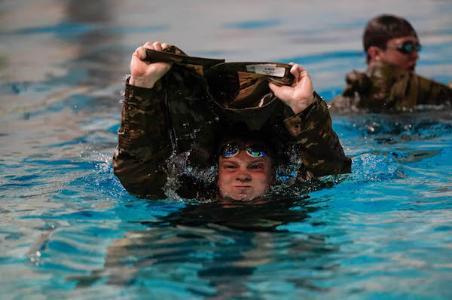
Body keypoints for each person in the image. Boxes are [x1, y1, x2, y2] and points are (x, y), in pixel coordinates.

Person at [113, 41, 351, 201]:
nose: (242, 175)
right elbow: (136, 173)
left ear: (274, 175)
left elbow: (331, 171)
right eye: (230, 167)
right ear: (216, 174)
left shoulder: (289, 198)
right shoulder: (193, 197)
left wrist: (303, 106)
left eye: (256, 167)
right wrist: (142, 84)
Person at [331, 14, 452, 113]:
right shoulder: (418, 92)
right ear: (375, 53)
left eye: (417, 47)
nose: (415, 55)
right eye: (407, 47)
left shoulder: (343, 104)